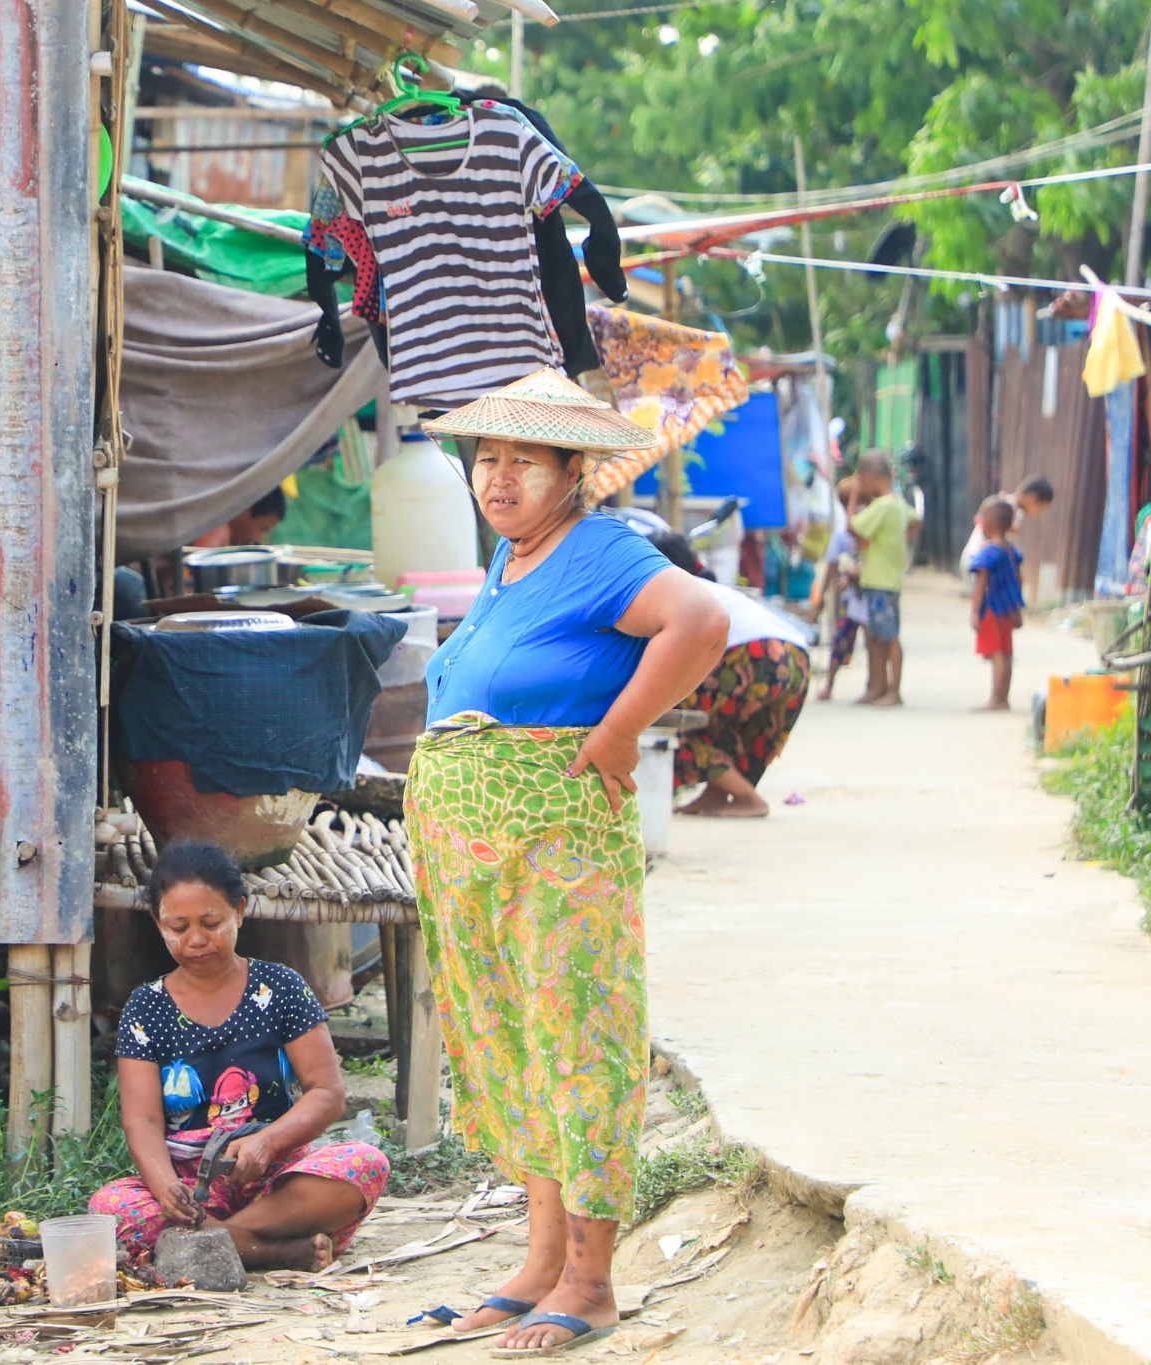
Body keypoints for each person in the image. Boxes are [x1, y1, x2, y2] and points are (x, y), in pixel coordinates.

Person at [407, 369, 727, 1353]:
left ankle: (590, 1280)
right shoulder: (509, 562)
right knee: (512, 1047)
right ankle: (541, 1259)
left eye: (521, 463)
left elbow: (702, 621)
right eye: (485, 459)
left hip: (556, 846)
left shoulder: (596, 550)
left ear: (571, 473)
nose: (496, 479)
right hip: (477, 857)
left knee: (578, 1040)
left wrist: (622, 732)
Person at [90, 841, 390, 1271]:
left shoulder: (281, 987)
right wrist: (167, 1190)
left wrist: (267, 1141)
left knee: (364, 1164)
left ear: (240, 911)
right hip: (190, 1183)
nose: (196, 939)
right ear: (158, 922)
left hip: (275, 1178)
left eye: (211, 922)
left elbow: (326, 1092)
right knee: (111, 1207)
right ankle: (273, 1251)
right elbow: (142, 1119)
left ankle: (206, 1243)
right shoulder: (145, 1006)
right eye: (178, 926)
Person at [648, 533, 813, 818]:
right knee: (726, 726)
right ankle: (718, 794)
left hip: (754, 654)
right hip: (796, 656)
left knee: (667, 724)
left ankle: (746, 797)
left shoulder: (667, 588)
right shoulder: (703, 587)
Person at [846, 451, 918, 707]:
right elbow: (916, 521)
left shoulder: (883, 506)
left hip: (880, 581)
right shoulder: (897, 504)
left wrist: (853, 497)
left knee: (888, 637)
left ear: (866, 478)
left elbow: (852, 526)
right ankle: (878, 687)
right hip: (887, 579)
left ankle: (893, 691)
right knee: (876, 637)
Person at [811, 477, 866, 703]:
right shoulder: (842, 536)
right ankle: (830, 683)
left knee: (869, 641)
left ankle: (872, 684)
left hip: (865, 593)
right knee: (840, 641)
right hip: (849, 598)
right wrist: (821, 598)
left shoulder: (869, 532)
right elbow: (831, 569)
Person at [970, 496, 1025, 711]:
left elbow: (981, 585)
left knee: (997, 654)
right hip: (1007, 609)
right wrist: (1017, 608)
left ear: (989, 523)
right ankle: (1004, 698)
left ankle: (995, 699)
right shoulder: (1011, 552)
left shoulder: (988, 553)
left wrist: (975, 612)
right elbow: (1018, 581)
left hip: (991, 609)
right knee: (1006, 653)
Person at [959, 475, 1053, 575]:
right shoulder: (1009, 509)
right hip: (981, 561)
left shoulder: (1008, 504)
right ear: (1032, 498)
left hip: (973, 557)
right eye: (1041, 508)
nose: (1039, 513)